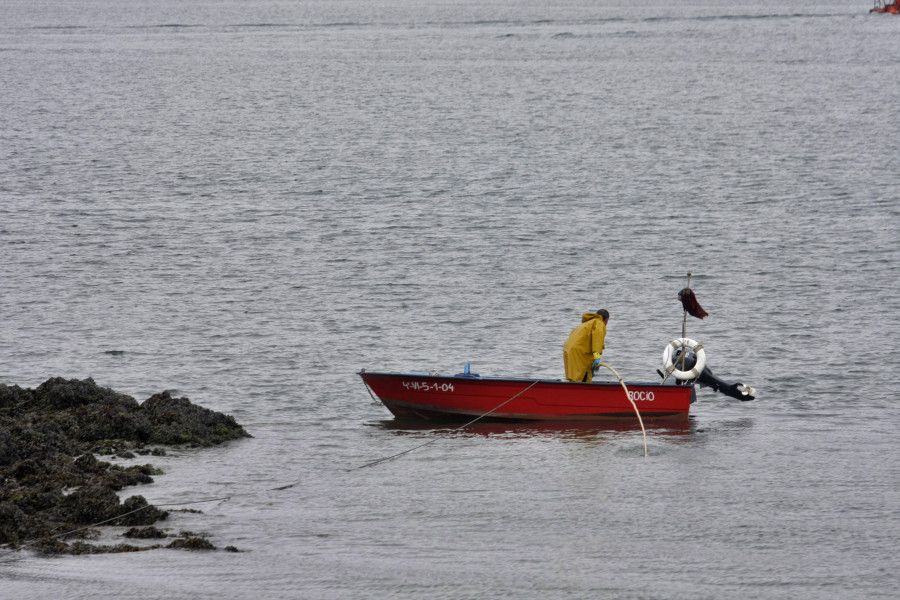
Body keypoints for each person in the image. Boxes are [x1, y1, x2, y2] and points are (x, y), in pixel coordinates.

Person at [563, 309, 609, 382]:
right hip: (580, 352)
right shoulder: (599, 323)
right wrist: (597, 358)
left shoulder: (587, 324)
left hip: (569, 349)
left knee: (575, 377)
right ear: (607, 320)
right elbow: (597, 340)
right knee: (582, 376)